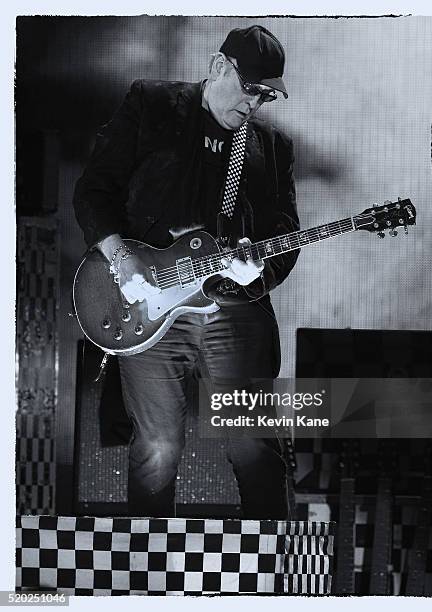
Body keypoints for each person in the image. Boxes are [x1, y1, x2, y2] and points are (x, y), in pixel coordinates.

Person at [73, 25, 300, 519]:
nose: (254, 104)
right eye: (250, 89)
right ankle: (149, 577)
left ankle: (272, 578)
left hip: (234, 310)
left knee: (252, 441)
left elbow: (285, 233)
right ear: (220, 67)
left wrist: (254, 272)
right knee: (157, 446)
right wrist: (119, 254)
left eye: (265, 96)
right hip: (147, 303)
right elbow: (94, 191)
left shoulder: (271, 147)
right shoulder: (151, 105)